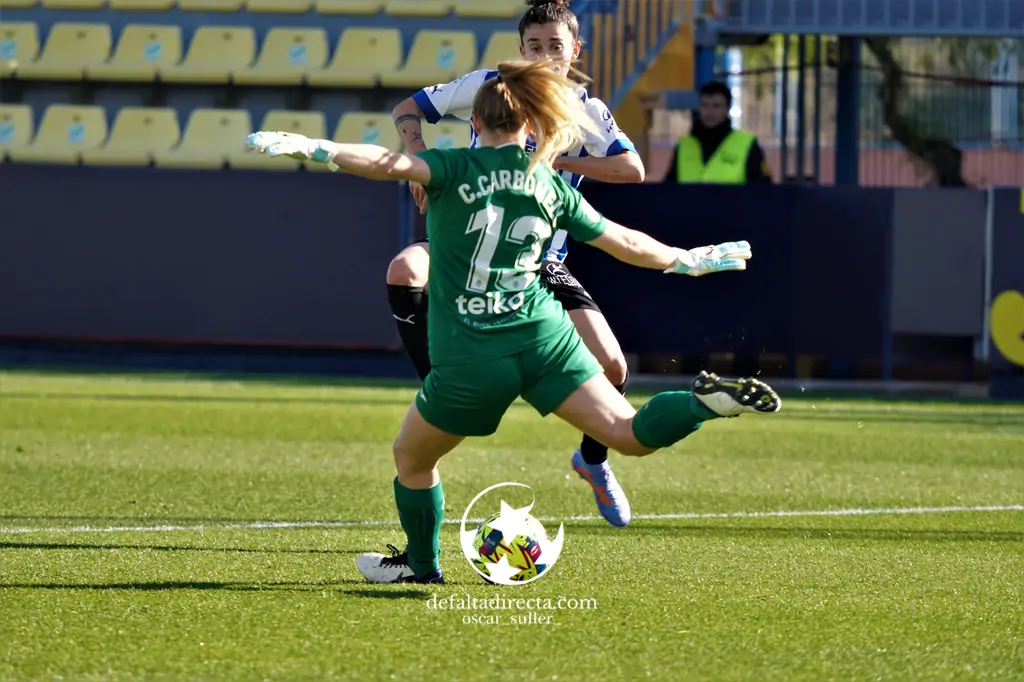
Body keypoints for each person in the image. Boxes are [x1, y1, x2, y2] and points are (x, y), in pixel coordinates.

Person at [245, 59, 782, 585]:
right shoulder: (551, 185)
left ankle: (421, 563)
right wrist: (689, 259)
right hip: (544, 337)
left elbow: (387, 163)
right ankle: (699, 404)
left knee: (411, 457)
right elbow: (627, 243)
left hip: (471, 353)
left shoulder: (452, 168)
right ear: (531, 125)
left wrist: (317, 148)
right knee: (627, 434)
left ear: (474, 125)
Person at [386, 0, 646, 529]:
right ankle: (437, 384)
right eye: (534, 46)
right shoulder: (489, 87)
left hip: (538, 261)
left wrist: (553, 158)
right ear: (520, 48)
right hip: (468, 246)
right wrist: (416, 159)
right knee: (405, 270)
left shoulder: (584, 109)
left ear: (576, 51)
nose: (545, 56)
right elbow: (408, 107)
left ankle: (591, 461)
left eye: (556, 46)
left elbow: (631, 168)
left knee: (614, 368)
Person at [664, 81, 773, 185]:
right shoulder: (684, 145)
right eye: (705, 105)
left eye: (716, 106)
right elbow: (668, 189)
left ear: (727, 109)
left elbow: (762, 190)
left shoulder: (746, 145)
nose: (710, 112)